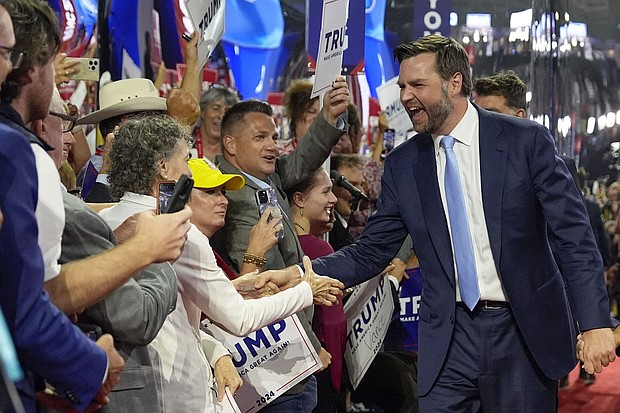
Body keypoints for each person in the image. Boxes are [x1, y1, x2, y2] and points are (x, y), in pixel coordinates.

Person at [302, 35, 616, 412]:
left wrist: (595, 322)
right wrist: (304, 273)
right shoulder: (403, 164)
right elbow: (372, 251)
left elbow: (574, 238)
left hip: (522, 334)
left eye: (418, 85)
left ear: (454, 83)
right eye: (403, 86)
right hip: (447, 338)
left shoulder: (525, 141)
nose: (405, 97)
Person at [100, 114, 343, 413]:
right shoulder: (180, 229)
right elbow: (239, 319)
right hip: (182, 392)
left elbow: (175, 298)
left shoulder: (101, 223)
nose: (190, 168)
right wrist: (306, 291)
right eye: (186, 159)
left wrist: (251, 285)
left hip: (128, 391)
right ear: (163, 167)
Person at [0, 1, 123, 410]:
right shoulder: (15, 150)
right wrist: (93, 363)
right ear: (31, 68)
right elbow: (28, 303)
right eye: (54, 64)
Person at [214, 79, 349, 411]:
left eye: (274, 136)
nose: (272, 145)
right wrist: (310, 344)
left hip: (283, 356)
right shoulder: (235, 200)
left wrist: (328, 117)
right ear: (231, 145)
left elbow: (302, 158)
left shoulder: (265, 178)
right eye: (260, 138)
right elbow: (265, 285)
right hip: (277, 362)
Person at [474, 70, 614, 387]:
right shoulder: (464, 162)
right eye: (477, 112)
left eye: (492, 113)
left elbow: (574, 231)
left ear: (520, 116)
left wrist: (591, 317)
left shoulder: (550, 159)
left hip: (544, 287)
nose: (481, 123)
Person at [286, 168, 343, 413]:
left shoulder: (284, 247)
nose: (334, 199)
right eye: (326, 191)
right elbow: (334, 325)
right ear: (299, 199)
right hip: (319, 367)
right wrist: (339, 382)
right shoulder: (319, 250)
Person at [195, 84, 240, 161]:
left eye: (227, 111)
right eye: (215, 108)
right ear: (202, 111)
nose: (221, 115)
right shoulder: (186, 143)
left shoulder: (236, 151)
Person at [277, 78, 320, 155]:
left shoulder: (330, 154)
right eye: (311, 112)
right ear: (295, 116)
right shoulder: (282, 155)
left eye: (320, 112)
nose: (317, 117)